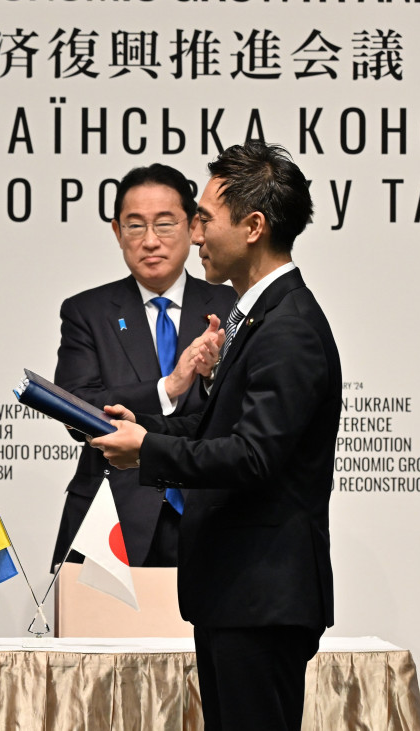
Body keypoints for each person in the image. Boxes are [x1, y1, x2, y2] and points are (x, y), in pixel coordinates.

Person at [91, 142, 340, 731]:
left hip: (261, 597)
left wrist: (146, 452)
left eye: (204, 217)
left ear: (253, 226)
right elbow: (213, 429)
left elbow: (253, 456)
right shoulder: (255, 316)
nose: (194, 235)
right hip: (238, 593)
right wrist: (141, 428)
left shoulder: (289, 327)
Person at [51, 164, 234, 569]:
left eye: (165, 224)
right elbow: (75, 408)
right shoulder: (88, 311)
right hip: (112, 515)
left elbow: (244, 422)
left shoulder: (231, 307)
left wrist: (211, 378)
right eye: (135, 226)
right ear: (117, 232)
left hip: (211, 513)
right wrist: (166, 388)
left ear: (193, 227)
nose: (150, 241)